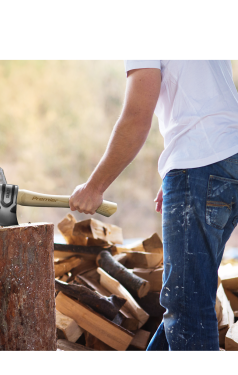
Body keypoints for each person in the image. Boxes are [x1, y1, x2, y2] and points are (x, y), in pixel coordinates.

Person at [69, 59, 238, 351]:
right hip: (228, 159)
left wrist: (95, 187)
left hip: (199, 165)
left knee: (186, 304)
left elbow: (136, 117)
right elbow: (209, 101)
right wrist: (183, 167)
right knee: (189, 295)